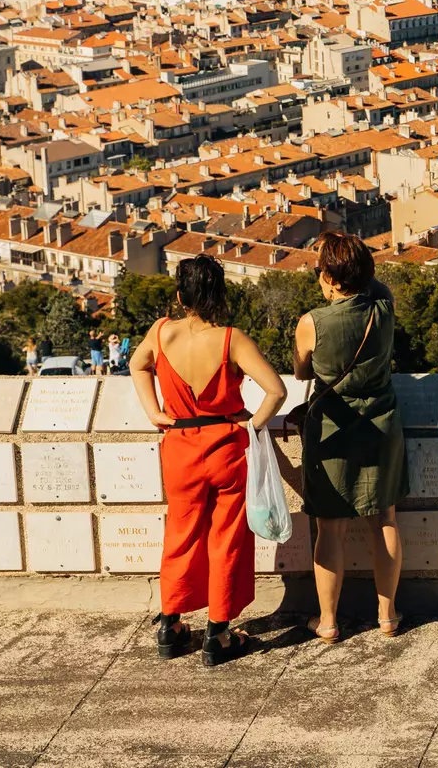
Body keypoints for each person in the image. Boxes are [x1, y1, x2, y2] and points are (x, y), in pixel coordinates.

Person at [130, 255, 286, 666]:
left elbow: (137, 364)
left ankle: (171, 623)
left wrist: (153, 410)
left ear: (180, 296)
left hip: (179, 444)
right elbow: (276, 390)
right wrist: (251, 426)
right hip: (226, 446)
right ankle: (218, 634)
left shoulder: (162, 332)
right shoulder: (232, 340)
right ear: (219, 295)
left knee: (180, 534)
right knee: (227, 538)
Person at [295, 232, 405, 642]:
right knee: (386, 519)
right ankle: (388, 615)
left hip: (332, 429)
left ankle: (327, 621)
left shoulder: (312, 323)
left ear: (330, 277)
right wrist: (348, 257)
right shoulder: (384, 306)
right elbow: (373, 286)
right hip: (382, 423)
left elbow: (303, 373)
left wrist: (330, 261)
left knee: (331, 529)